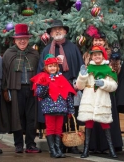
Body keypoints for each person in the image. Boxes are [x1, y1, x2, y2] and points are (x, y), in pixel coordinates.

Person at [37, 19, 84, 154]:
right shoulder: (46, 50)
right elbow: (41, 71)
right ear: (51, 33)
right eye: (54, 29)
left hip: (70, 86)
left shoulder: (73, 47)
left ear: (65, 31)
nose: (57, 31)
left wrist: (77, 82)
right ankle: (59, 147)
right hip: (52, 89)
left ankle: (72, 144)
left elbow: (80, 66)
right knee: (55, 120)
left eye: (60, 29)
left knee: (70, 114)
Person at [1, 23, 41, 153]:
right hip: (15, 89)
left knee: (31, 117)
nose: (22, 41)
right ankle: (18, 144)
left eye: (25, 38)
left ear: (28, 39)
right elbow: (5, 73)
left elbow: (40, 72)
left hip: (32, 89)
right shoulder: (8, 54)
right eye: (19, 39)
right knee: (16, 117)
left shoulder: (34, 54)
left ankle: (30, 144)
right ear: (15, 40)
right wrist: (5, 90)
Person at [82, 28, 123, 154]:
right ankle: (93, 146)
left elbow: (116, 73)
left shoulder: (111, 54)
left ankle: (110, 145)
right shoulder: (88, 54)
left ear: (104, 42)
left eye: (100, 40)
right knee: (91, 120)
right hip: (92, 91)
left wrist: (114, 64)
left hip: (106, 90)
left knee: (106, 119)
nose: (98, 42)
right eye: (96, 40)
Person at [76, 46, 118, 159]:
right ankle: (86, 150)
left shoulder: (109, 70)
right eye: (94, 55)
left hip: (102, 100)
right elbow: (79, 86)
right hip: (89, 99)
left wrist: (104, 83)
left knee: (106, 124)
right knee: (88, 124)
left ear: (103, 55)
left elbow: (114, 86)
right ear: (91, 57)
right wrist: (82, 75)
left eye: (99, 54)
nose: (97, 56)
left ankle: (111, 149)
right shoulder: (87, 68)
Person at [31, 54, 76, 158]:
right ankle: (52, 150)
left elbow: (68, 95)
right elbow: (39, 94)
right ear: (46, 67)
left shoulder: (62, 78)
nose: (52, 68)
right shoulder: (42, 78)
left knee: (58, 129)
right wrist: (45, 85)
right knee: (51, 128)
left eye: (54, 66)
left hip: (61, 108)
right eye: (50, 66)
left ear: (57, 67)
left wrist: (71, 109)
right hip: (49, 108)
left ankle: (58, 149)